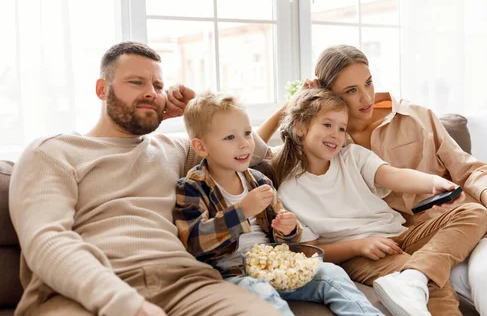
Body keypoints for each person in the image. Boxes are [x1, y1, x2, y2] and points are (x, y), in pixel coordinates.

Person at [261, 45, 487, 316]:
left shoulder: (364, 144)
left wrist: (439, 185)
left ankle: (415, 277)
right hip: (401, 239)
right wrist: (293, 104)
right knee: (455, 282)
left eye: (368, 83)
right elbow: (249, 154)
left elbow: (400, 175)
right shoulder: (324, 148)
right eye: (351, 91)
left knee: (477, 252)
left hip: (465, 219)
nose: (366, 97)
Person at [8, 41, 282, 316]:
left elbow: (255, 154)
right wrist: (126, 304)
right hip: (82, 293)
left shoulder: (172, 149)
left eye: (158, 87)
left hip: (186, 284)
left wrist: (200, 111)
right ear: (102, 89)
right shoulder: (52, 152)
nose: (151, 93)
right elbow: (47, 240)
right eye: (136, 83)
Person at [271, 87, 487, 316]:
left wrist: (433, 183)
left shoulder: (352, 156)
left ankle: (415, 274)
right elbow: (311, 251)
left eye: (341, 128)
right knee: (435, 283)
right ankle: (418, 276)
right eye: (327, 125)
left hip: (400, 233)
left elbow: (394, 175)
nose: (336, 134)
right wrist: (359, 245)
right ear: (299, 126)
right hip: (359, 254)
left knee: (475, 213)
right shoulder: (287, 189)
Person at [173, 90, 384, 316]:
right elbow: (194, 242)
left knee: (330, 273)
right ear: (201, 147)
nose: (244, 144)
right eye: (230, 138)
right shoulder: (192, 187)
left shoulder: (259, 181)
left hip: (277, 267)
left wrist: (289, 228)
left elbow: (285, 240)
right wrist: (242, 211)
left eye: (247, 133)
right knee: (261, 290)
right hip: (233, 275)